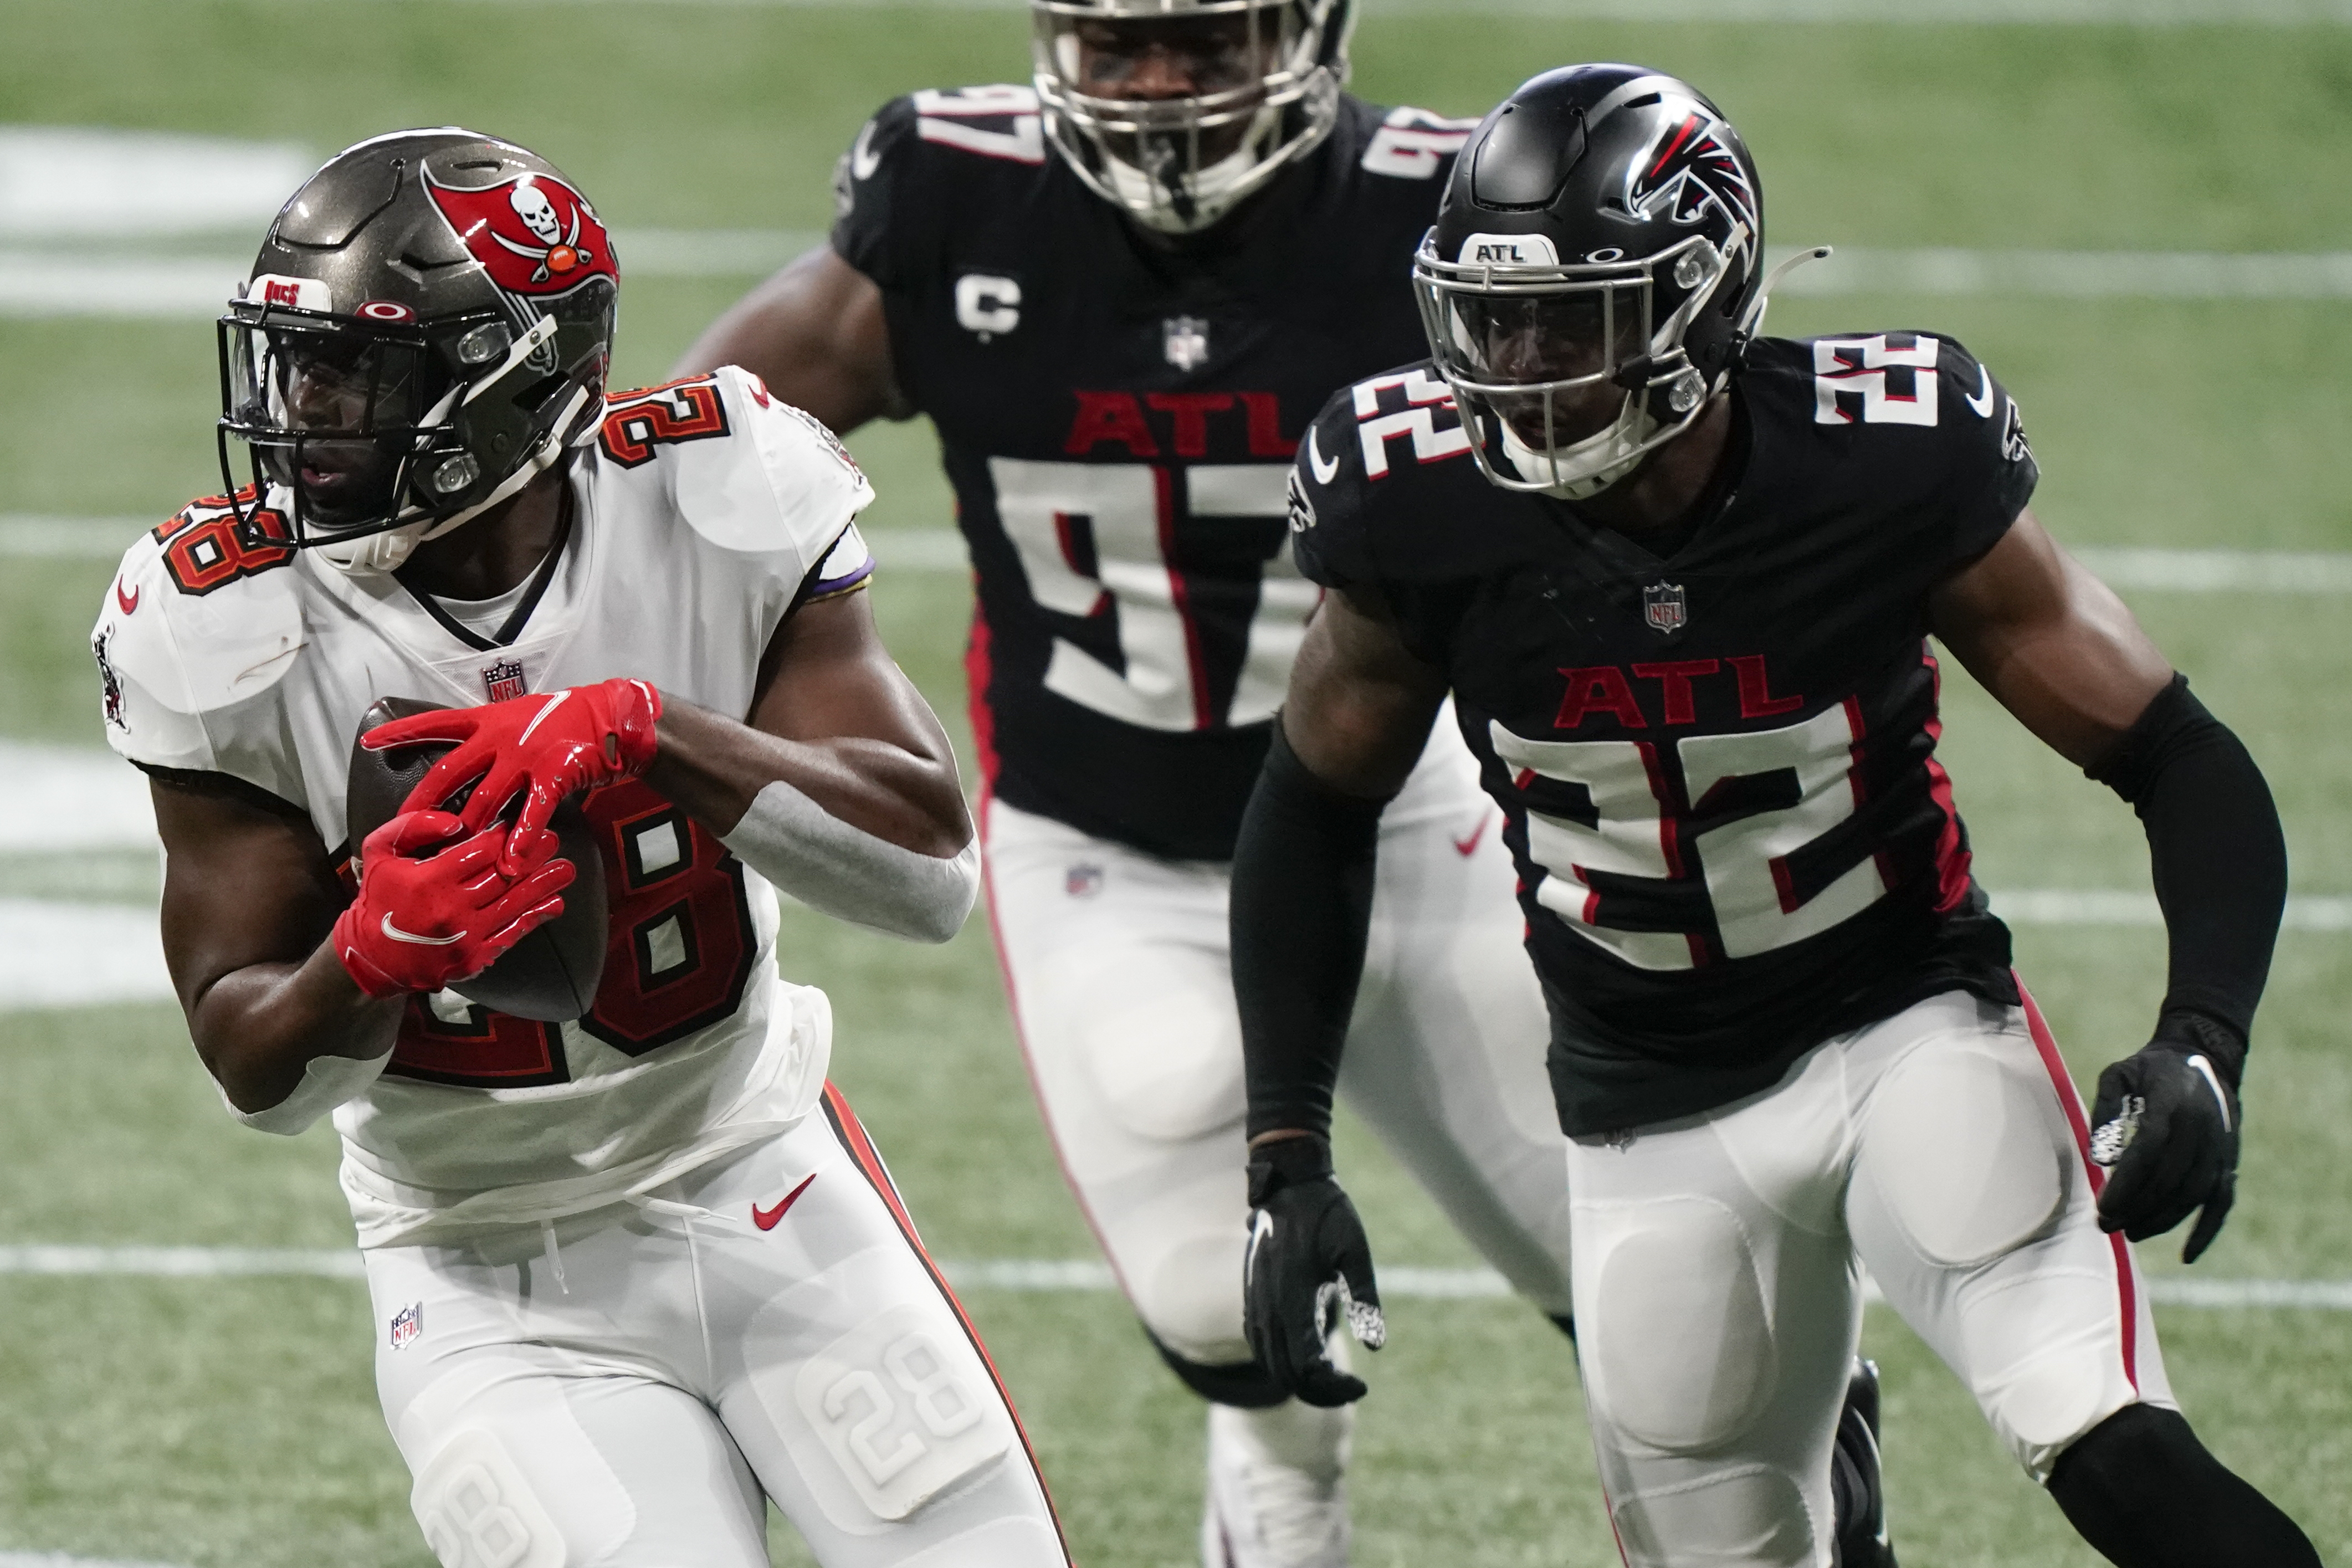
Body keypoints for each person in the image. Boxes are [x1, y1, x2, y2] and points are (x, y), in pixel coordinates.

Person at [682, 8, 1889, 1565]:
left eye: (1204, 38)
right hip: (1113, 850)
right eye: (1119, 47)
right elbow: (688, 463)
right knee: (1218, 1302)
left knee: (1688, 1317)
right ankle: (1276, 1481)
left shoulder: (1442, 222)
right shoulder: (956, 202)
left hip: (1416, 822)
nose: (1161, 84)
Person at [1232, 62, 2320, 1568]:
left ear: (1705, 297)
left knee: (2114, 1450)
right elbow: (1309, 811)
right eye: (1497, 317)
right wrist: (1287, 1155)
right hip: (1641, 1112)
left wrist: (2206, 1036)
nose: (1522, 361)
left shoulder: (1882, 456)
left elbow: (2176, 752)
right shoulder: (1413, 501)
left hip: (1907, 1032)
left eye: (1577, 315)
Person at [89, 128, 1070, 1568]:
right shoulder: (217, 619)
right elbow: (255, 1068)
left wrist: (647, 727)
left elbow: (926, 870)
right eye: (293, 364)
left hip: (763, 1177)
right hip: (487, 1268)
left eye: (361, 373)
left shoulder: (716, 488)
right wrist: (366, 957)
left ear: (522, 380)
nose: (305, 413)